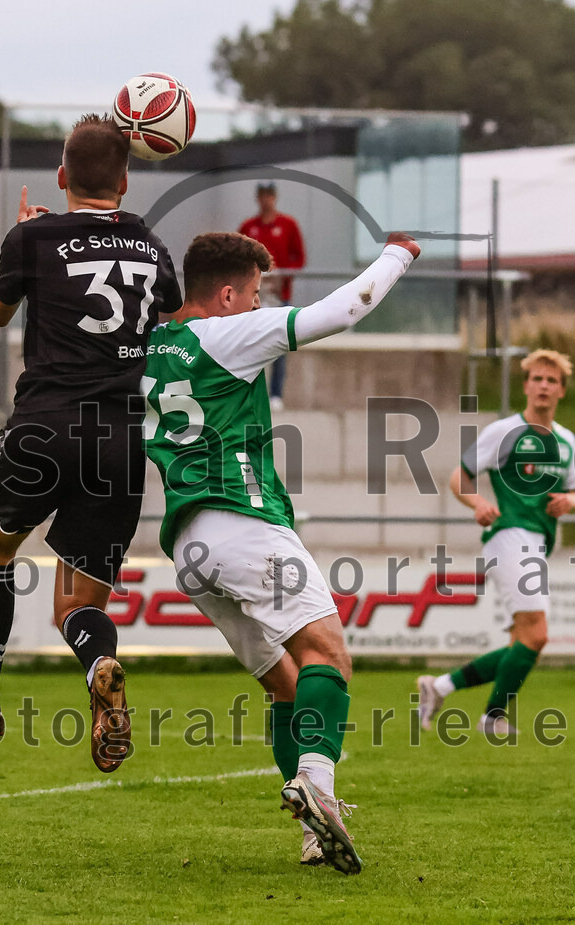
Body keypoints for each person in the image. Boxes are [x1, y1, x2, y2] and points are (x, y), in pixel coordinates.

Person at [142, 230, 421, 873]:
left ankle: (313, 833)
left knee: (285, 686)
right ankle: (318, 787)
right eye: (255, 293)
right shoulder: (225, 334)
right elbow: (342, 310)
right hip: (241, 521)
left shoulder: (148, 346)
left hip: (188, 544)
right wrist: (396, 255)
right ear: (227, 294)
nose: (258, 305)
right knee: (327, 654)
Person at [0, 114, 182, 774]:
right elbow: (168, 311)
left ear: (60, 176)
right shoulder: (150, 242)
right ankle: (99, 662)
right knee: (76, 605)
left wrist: (29, 237)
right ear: (125, 181)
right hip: (119, 441)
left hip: (44, 427)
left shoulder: (32, 237)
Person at [419, 349, 575, 738]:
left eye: (552, 380)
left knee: (522, 640)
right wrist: (478, 503)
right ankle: (492, 718)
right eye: (537, 378)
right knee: (536, 634)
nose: (543, 386)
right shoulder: (504, 432)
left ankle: (439, 687)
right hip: (509, 536)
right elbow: (459, 476)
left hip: (537, 542)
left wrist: (569, 501)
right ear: (526, 386)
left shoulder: (566, 440)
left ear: (562, 390)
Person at [237, 182, 306, 410]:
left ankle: (276, 394)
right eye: (263, 196)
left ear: (275, 198)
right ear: (257, 198)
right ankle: (249, 393)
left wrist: (281, 276)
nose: (266, 200)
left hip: (279, 295)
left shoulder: (288, 225)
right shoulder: (248, 226)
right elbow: (237, 256)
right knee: (249, 344)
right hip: (253, 297)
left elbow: (299, 258)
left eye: (270, 196)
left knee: (279, 345)